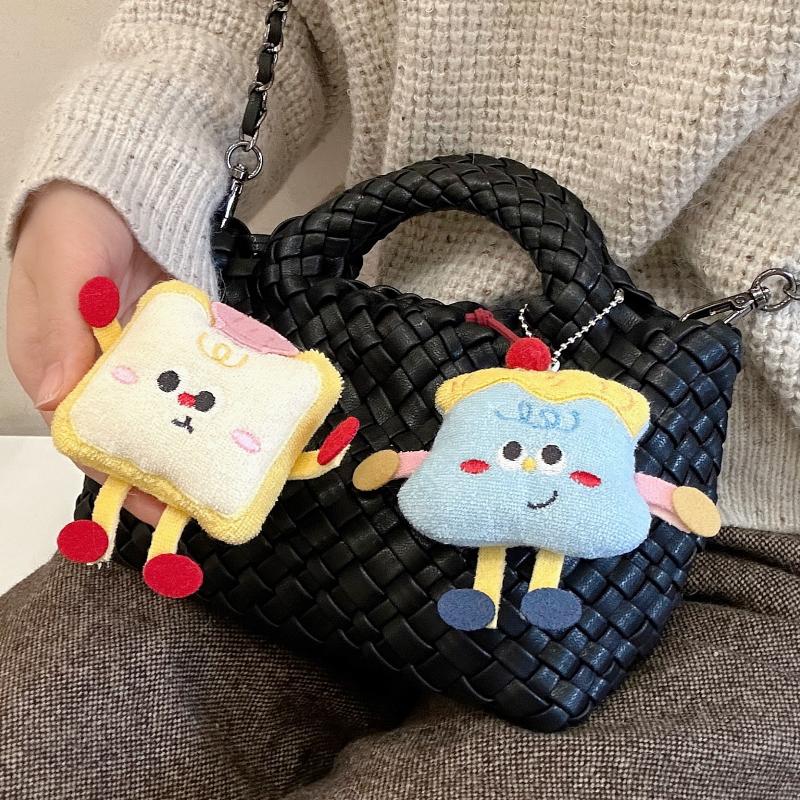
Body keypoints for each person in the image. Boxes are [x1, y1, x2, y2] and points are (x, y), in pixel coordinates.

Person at [3, 1, 800, 797]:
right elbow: (242, 21)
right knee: (37, 735)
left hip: (755, 536)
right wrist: (108, 189)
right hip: (287, 467)